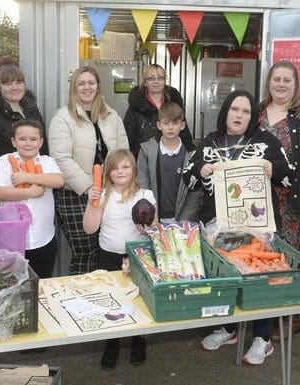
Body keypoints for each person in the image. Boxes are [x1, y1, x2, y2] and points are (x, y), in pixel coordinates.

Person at [182, 90, 290, 365]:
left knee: (258, 278)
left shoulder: (265, 140)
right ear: (226, 112)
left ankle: (262, 338)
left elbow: (287, 171)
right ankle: (227, 328)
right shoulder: (211, 140)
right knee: (222, 277)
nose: (239, 115)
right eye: (234, 109)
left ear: (252, 116)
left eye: (245, 111)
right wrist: (202, 169)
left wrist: (270, 167)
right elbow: (188, 169)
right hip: (218, 223)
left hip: (256, 225)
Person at [258, 61, 300, 340]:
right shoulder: (256, 112)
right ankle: (260, 310)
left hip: (291, 201)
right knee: (260, 255)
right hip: (257, 199)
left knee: (287, 258)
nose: (281, 84)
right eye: (276, 79)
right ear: (268, 82)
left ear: (296, 85)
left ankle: (287, 314)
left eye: (287, 80)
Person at [49, 66, 129, 275]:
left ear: (98, 86)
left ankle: (104, 298)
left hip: (109, 192)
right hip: (76, 195)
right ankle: (80, 302)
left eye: (91, 83)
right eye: (81, 83)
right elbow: (61, 158)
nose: (86, 87)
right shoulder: (62, 118)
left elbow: (123, 153)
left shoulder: (112, 116)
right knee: (85, 253)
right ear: (74, 88)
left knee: (106, 249)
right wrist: (87, 187)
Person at [83, 149, 157, 369]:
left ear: (133, 169)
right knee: (112, 301)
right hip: (108, 256)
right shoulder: (101, 194)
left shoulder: (146, 195)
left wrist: (146, 230)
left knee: (139, 301)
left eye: (125, 166)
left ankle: (138, 339)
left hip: (138, 255)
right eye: (115, 167)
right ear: (108, 172)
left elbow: (155, 231)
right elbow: (89, 229)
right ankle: (112, 342)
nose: (120, 171)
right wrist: (92, 202)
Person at [0, 119, 65, 278]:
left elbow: (59, 181)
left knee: (42, 284)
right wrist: (30, 192)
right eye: (22, 139)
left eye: (33, 139)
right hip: (11, 241)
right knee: (13, 286)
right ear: (13, 141)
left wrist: (26, 177)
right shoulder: (4, 161)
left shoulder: (47, 162)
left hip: (43, 239)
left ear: (41, 142)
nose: (28, 144)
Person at [0, 55, 47, 207]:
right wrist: (17, 171)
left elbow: (42, 144)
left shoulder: (31, 107)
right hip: (5, 185)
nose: (15, 87)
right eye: (8, 83)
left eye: (19, 82)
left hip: (34, 181)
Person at [137, 102, 201, 222]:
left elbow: (195, 192)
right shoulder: (146, 151)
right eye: (166, 123)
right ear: (159, 125)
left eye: (175, 123)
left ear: (182, 125)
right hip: (154, 217)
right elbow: (143, 186)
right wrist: (150, 216)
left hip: (183, 219)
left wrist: (183, 221)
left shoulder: (191, 154)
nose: (170, 127)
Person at [123, 64, 194, 158]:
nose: (156, 81)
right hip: (143, 158)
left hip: (172, 156)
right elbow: (128, 136)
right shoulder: (135, 105)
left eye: (160, 78)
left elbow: (183, 131)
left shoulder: (175, 102)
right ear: (145, 82)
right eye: (151, 78)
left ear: (165, 81)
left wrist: (191, 153)